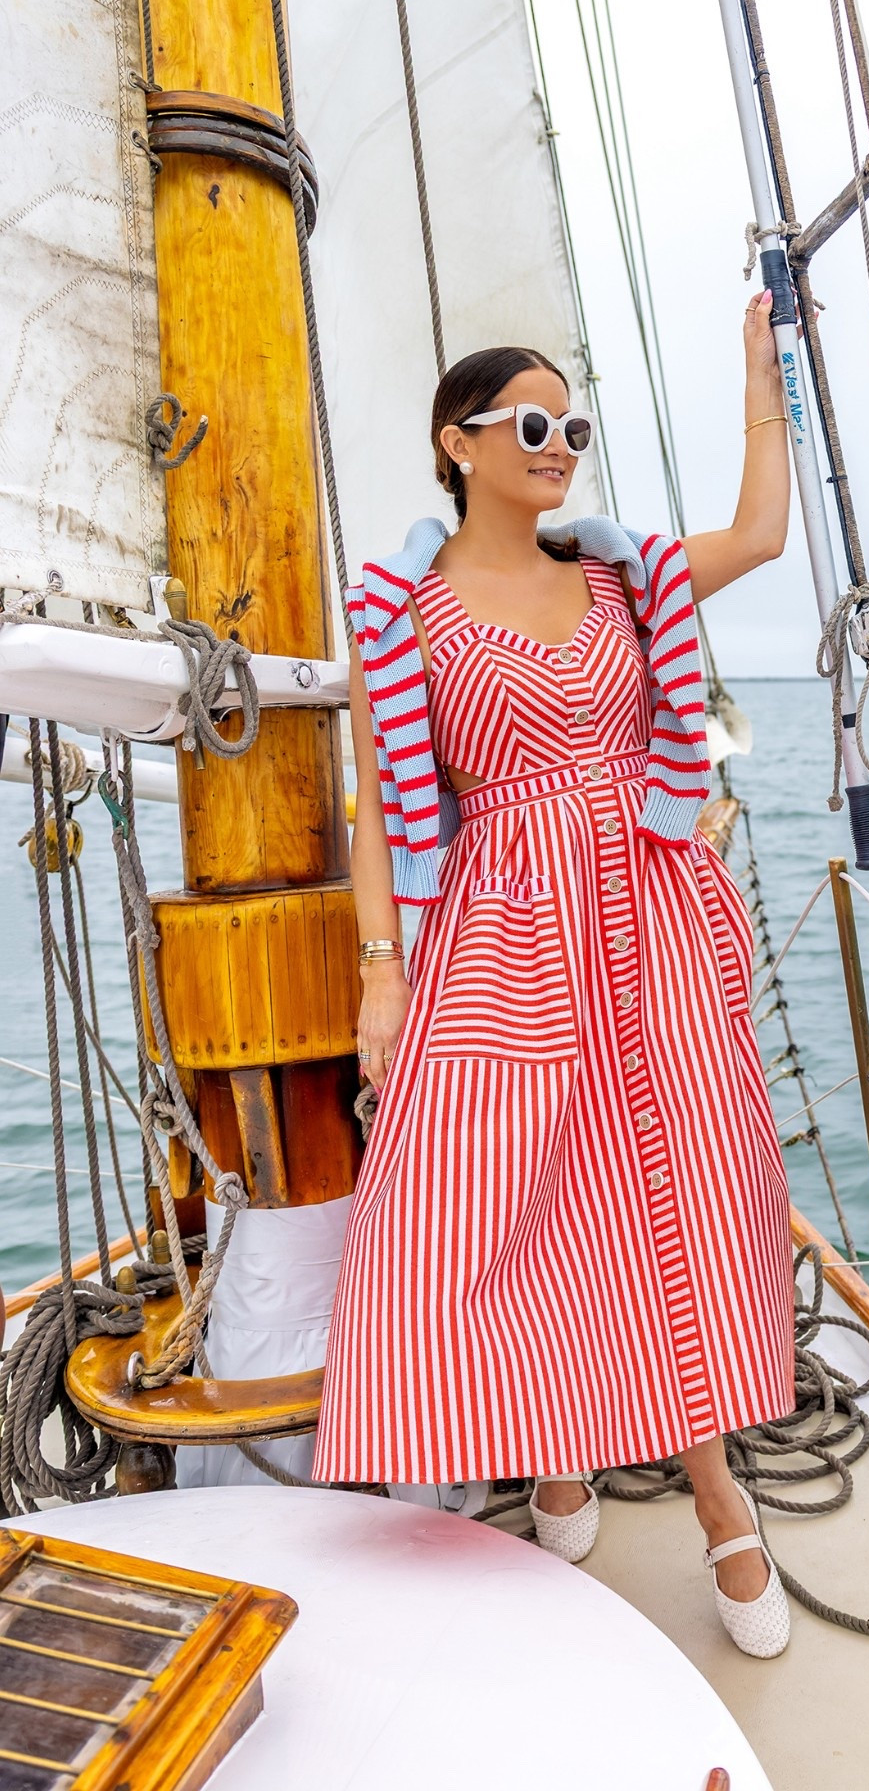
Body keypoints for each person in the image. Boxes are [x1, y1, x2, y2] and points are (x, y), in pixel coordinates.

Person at [311, 294, 797, 1658]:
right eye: (533, 422)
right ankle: (556, 1447)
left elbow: (758, 534)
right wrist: (379, 977)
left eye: (573, 425)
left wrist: (761, 372)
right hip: (500, 925)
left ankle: (720, 1504)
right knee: (487, 1207)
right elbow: (375, 810)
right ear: (454, 443)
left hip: (648, 915)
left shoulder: (620, 576)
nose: (560, 444)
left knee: (674, 1195)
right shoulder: (400, 611)